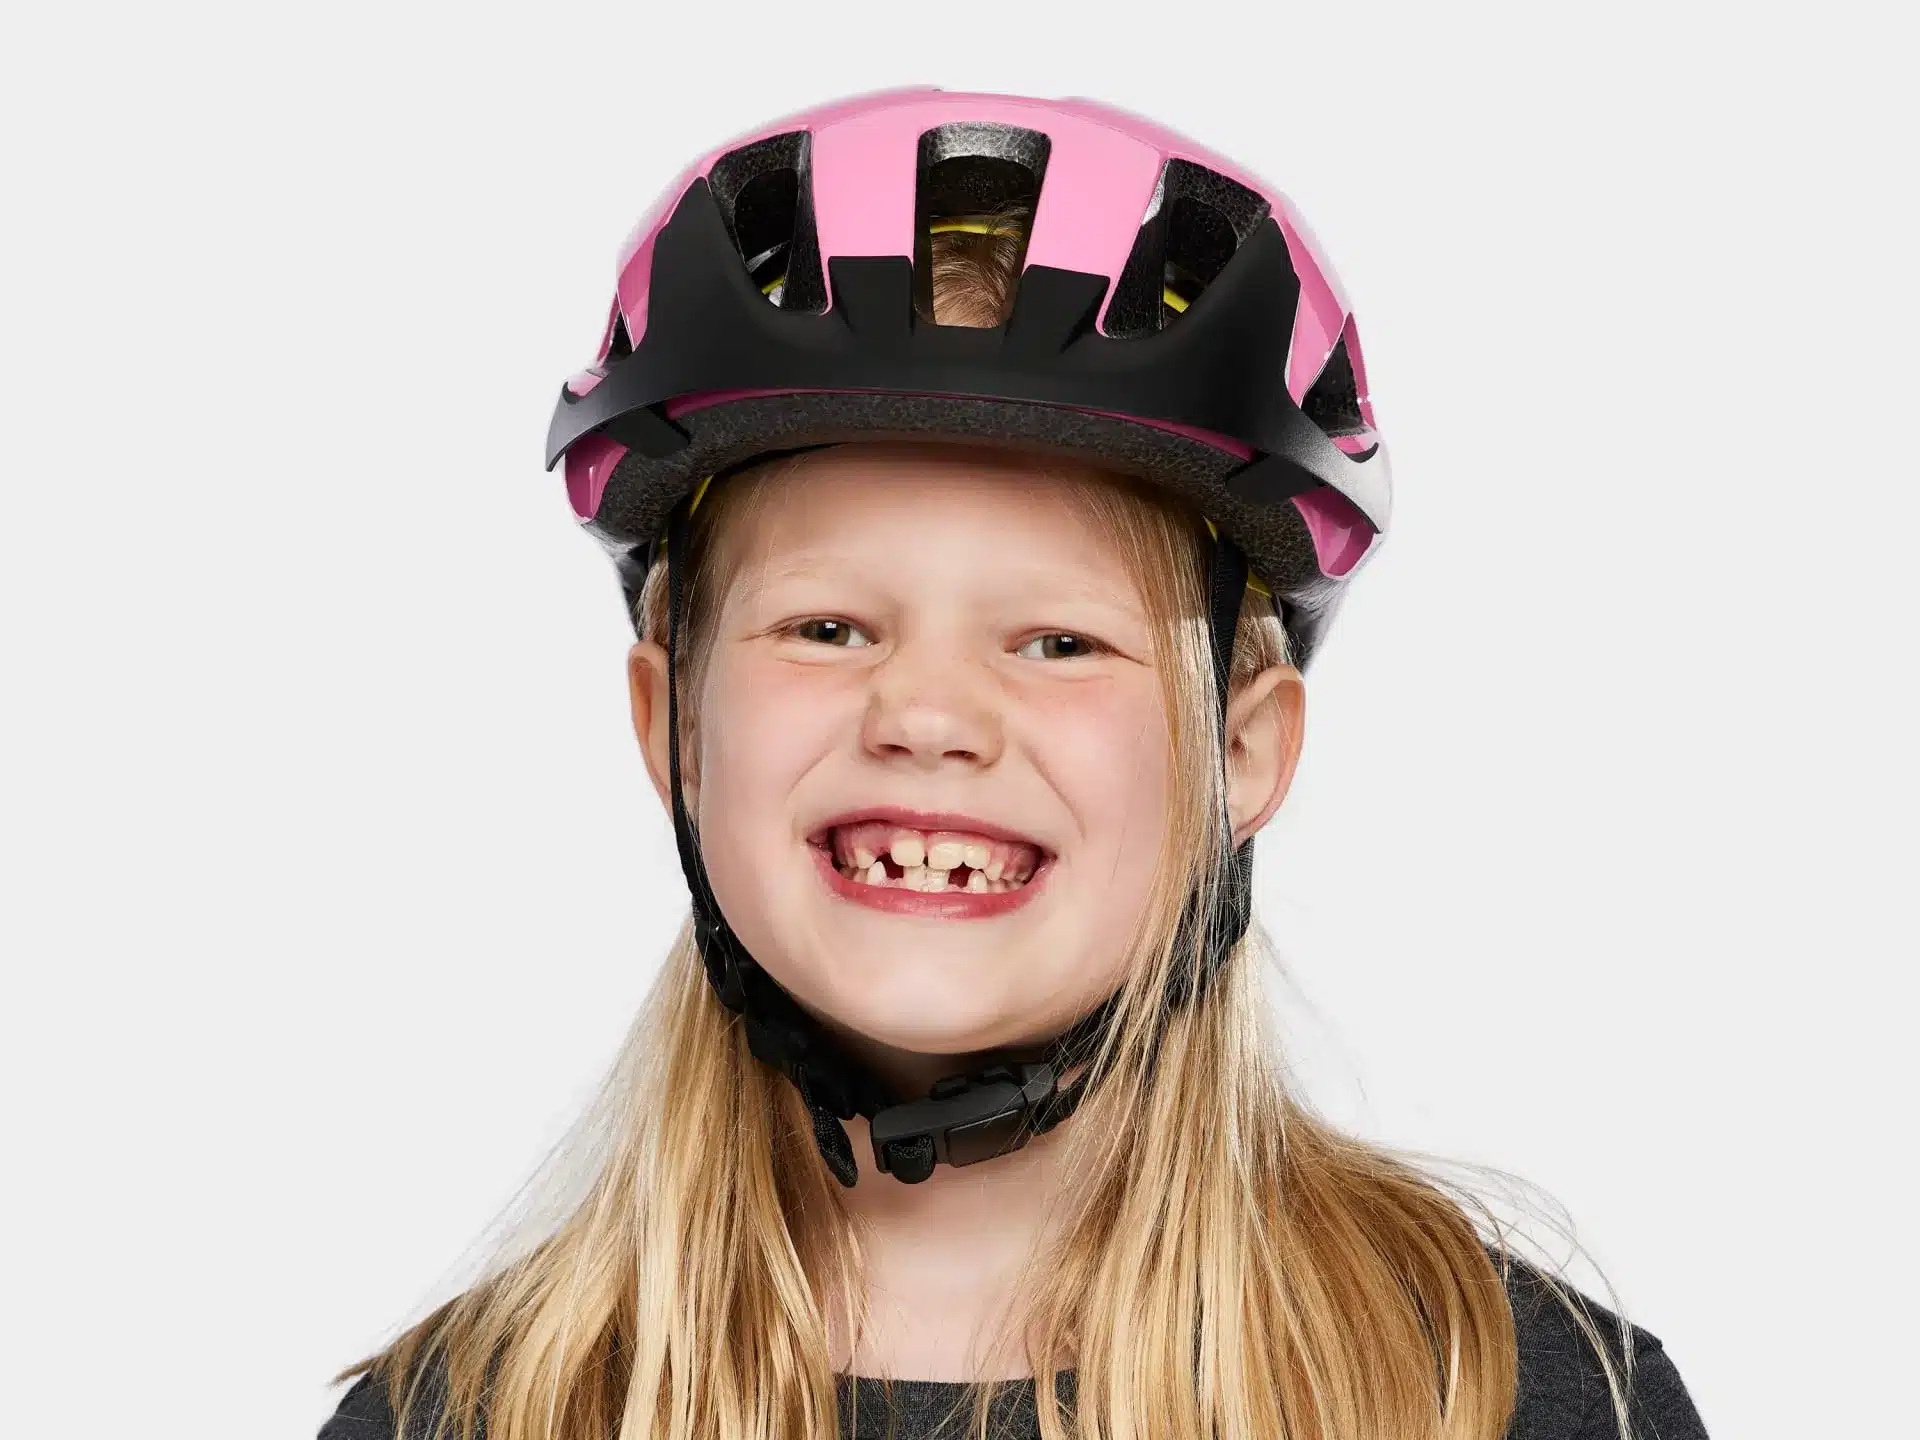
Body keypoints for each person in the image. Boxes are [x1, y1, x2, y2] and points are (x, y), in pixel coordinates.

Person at [319, 87, 1709, 1440]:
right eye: (828, 627)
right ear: (672, 724)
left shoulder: (1504, 1398)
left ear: (1240, 749)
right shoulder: (464, 1417)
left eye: (1058, 642)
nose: (928, 716)